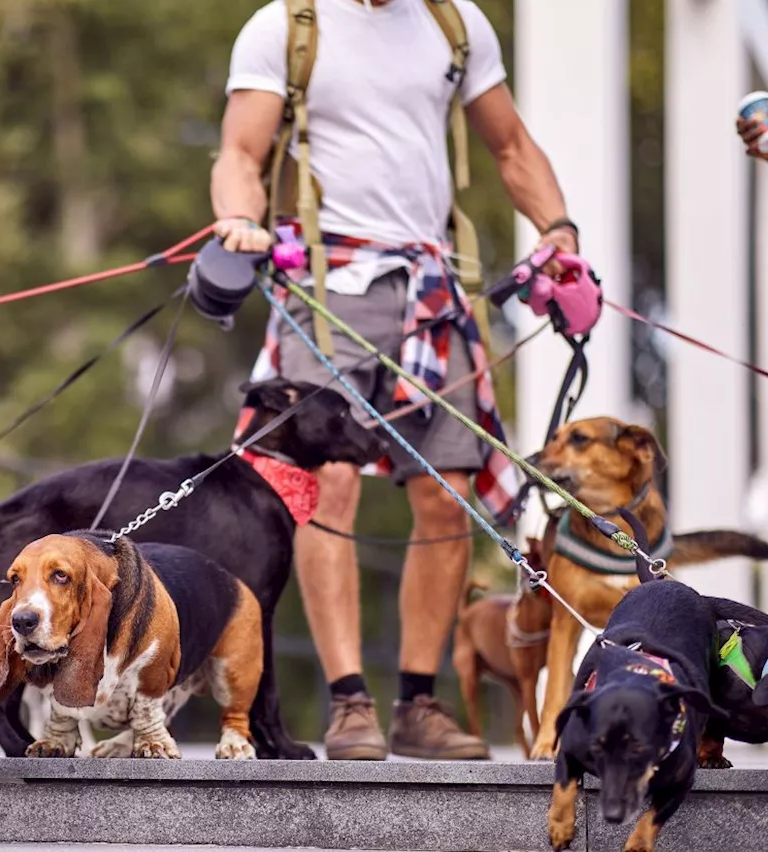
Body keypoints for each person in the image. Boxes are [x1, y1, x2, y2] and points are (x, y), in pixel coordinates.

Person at [210, 0, 577, 760]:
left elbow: (510, 147)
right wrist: (240, 222)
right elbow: (240, 157)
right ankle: (350, 703)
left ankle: (418, 702)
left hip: (432, 284)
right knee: (326, 483)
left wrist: (559, 232)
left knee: (448, 486)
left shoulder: (455, 24)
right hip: (323, 279)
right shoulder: (286, 26)